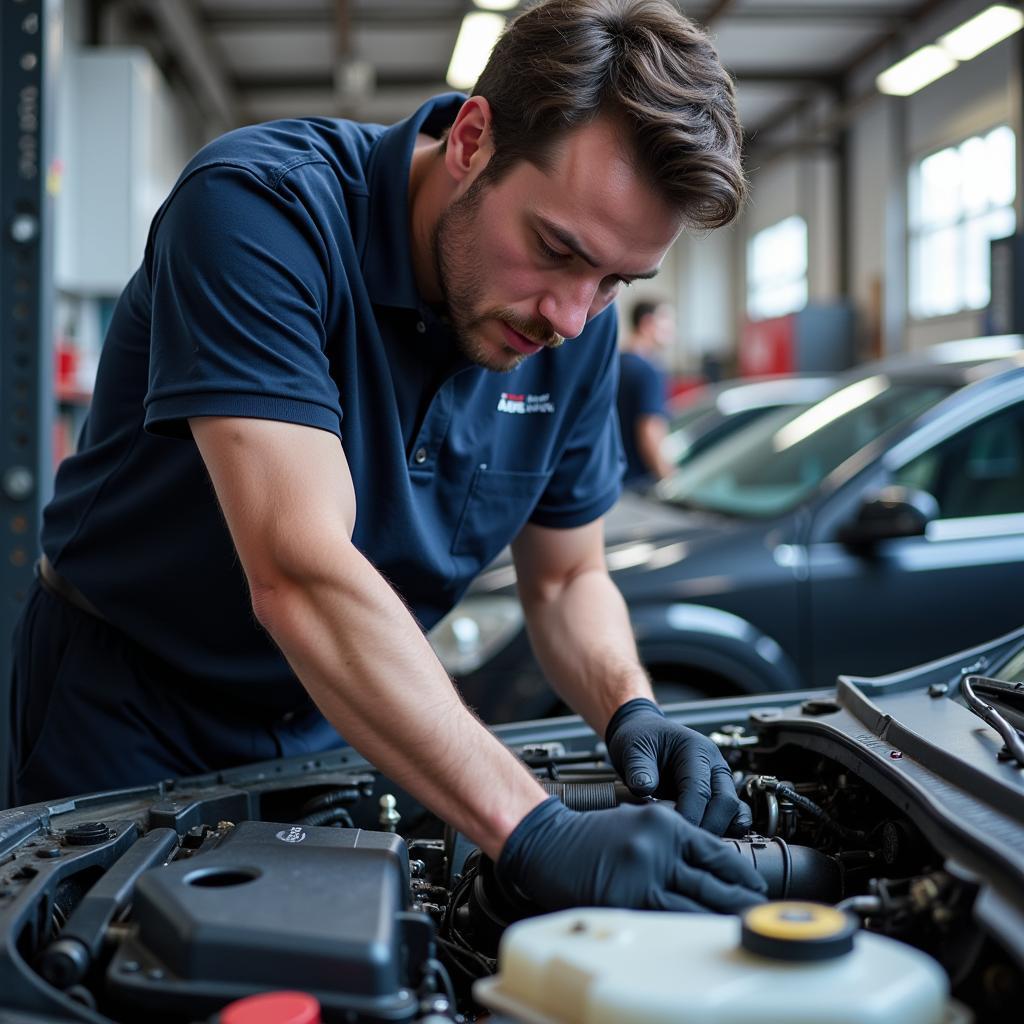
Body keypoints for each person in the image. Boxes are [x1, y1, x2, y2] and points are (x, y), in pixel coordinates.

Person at [10, 0, 767, 914]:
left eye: (616, 282)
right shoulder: (260, 213)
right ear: (473, 140)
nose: (570, 315)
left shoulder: (575, 335)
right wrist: (534, 829)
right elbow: (301, 571)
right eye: (555, 248)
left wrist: (630, 709)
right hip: (128, 710)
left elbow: (567, 581)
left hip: (343, 715)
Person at [618, 299, 675, 487]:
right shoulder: (649, 370)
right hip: (637, 482)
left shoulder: (615, 362)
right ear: (647, 323)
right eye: (667, 320)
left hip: (611, 478)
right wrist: (668, 478)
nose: (672, 328)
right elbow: (649, 430)